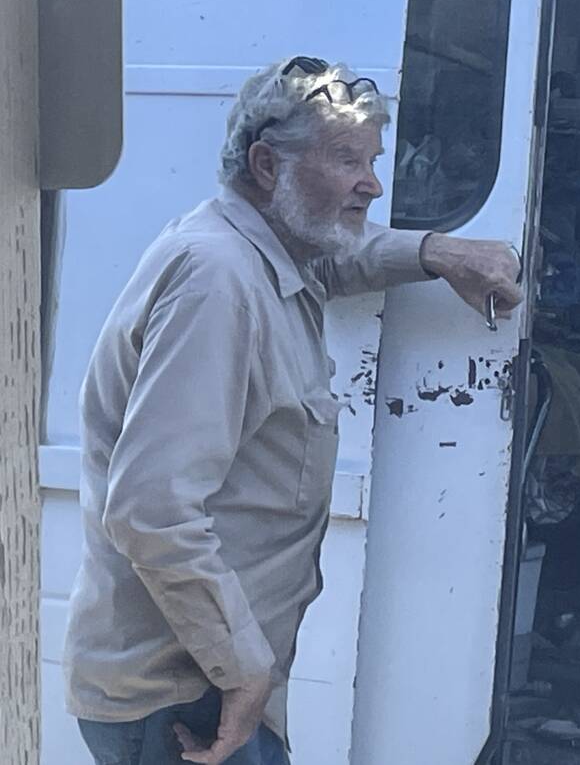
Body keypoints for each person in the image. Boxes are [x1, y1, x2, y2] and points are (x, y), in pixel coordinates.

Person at [63, 56, 522, 765]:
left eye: (372, 161)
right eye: (346, 160)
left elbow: (336, 260)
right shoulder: (218, 281)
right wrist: (244, 670)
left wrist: (436, 252)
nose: (372, 183)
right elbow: (151, 508)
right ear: (267, 165)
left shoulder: (261, 248)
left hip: (207, 678)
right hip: (182, 695)